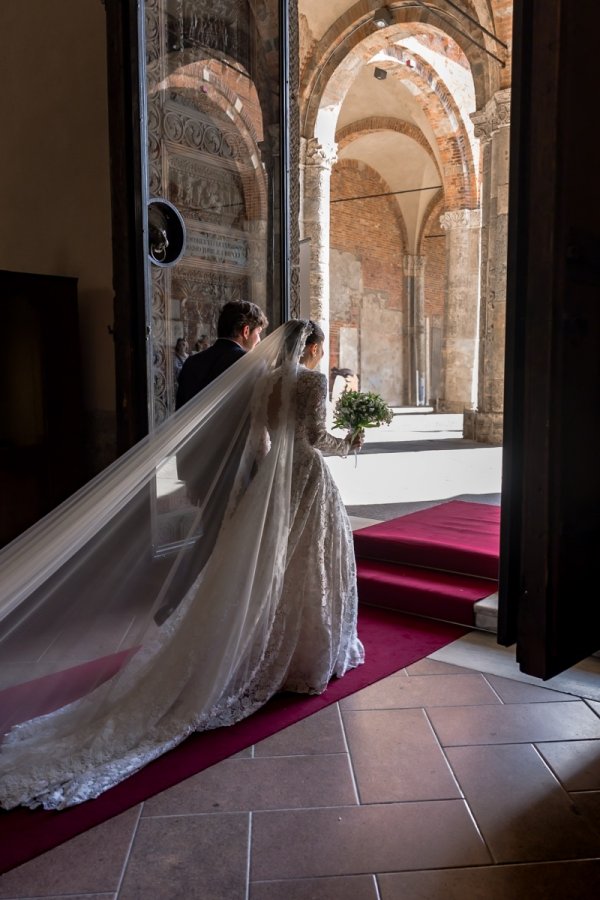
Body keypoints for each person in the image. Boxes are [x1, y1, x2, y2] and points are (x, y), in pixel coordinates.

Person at [0, 320, 364, 810]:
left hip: (269, 486)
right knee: (308, 564)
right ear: (314, 347)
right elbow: (318, 436)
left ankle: (265, 646)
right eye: (320, 348)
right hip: (306, 478)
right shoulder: (312, 381)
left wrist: (260, 486)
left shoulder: (264, 381)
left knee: (263, 570)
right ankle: (304, 656)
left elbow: (258, 444)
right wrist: (353, 441)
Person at [176, 300, 267, 410]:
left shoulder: (191, 362)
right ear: (246, 331)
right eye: (258, 333)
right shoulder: (252, 364)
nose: (259, 340)